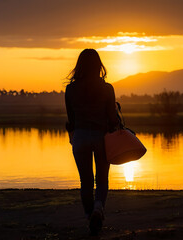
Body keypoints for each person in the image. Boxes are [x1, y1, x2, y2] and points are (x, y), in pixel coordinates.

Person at [65, 49, 119, 235]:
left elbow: (71, 120)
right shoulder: (107, 89)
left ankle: (90, 217)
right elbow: (113, 119)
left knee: (85, 181)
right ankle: (98, 208)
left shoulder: (70, 89)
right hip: (101, 138)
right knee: (102, 178)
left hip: (79, 137)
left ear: (79, 66)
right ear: (98, 65)